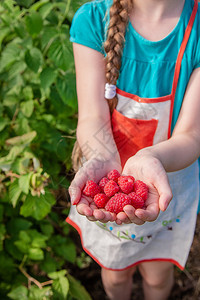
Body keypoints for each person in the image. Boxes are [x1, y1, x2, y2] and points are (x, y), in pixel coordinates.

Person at [66, 0, 200, 299]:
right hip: (107, 175)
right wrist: (101, 157)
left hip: (169, 182)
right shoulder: (93, 19)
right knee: (115, 277)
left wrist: (151, 157)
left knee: (157, 277)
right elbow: (91, 116)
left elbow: (191, 134)